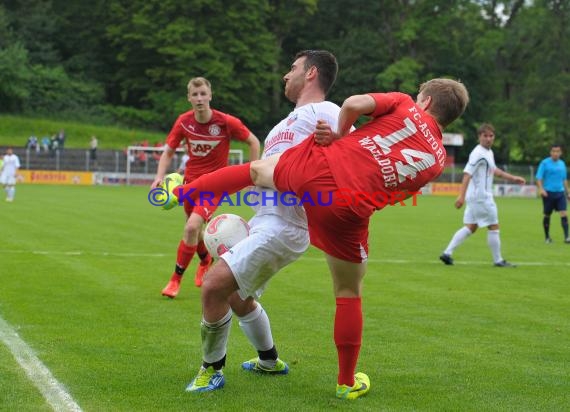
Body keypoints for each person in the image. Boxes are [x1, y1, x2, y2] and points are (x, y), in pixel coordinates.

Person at [164, 78, 470, 399]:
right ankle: (346, 382)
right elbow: (397, 188)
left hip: (321, 171)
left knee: (256, 171)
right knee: (349, 291)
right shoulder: (436, 162)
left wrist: (339, 133)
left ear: (427, 102)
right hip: (351, 208)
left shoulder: (405, 103)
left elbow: (352, 104)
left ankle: (179, 191)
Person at [184, 50, 342, 393]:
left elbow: (353, 149)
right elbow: (259, 173)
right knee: (238, 297)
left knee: (213, 285)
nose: (286, 75)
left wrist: (337, 141)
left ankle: (211, 369)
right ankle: (269, 361)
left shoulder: (328, 112)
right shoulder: (280, 128)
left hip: (286, 225)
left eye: (293, 68)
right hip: (264, 218)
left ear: (311, 73)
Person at [151, 77, 260, 297]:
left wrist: (252, 177)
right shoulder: (183, 122)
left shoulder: (226, 122)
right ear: (189, 98)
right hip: (190, 183)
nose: (199, 98)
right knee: (196, 232)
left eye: (203, 94)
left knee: (192, 227)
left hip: (214, 186)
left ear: (210, 95)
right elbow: (169, 151)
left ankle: (175, 281)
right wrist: (159, 177)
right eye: (195, 94)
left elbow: (254, 142)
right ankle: (205, 260)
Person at [439, 123, 526, 267]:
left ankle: (447, 253)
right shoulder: (478, 153)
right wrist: (460, 196)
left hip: (475, 198)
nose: (488, 139)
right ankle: (498, 260)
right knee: (494, 226)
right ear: (479, 137)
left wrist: (513, 178)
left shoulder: (488, 153)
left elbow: (495, 171)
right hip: (482, 197)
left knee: (471, 227)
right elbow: (467, 174)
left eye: (491, 136)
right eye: (485, 136)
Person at [535, 144, 570, 243]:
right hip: (548, 193)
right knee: (547, 215)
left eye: (557, 151)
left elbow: (564, 180)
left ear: (560, 153)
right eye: (553, 151)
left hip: (560, 193)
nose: (555, 153)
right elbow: (539, 177)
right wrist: (541, 189)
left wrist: (568, 192)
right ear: (550, 152)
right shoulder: (544, 163)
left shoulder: (562, 164)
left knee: (563, 213)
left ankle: (567, 237)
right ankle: (547, 238)